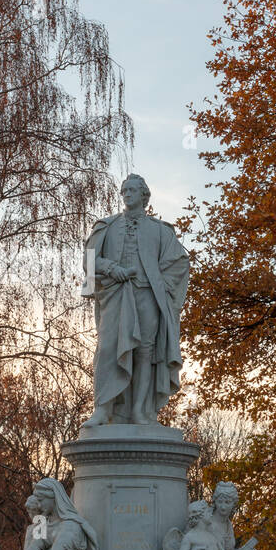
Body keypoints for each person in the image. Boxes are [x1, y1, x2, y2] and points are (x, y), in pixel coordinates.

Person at [82, 174, 189, 425]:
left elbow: (179, 262)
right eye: (124, 190)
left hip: (147, 295)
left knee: (145, 352)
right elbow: (88, 260)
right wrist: (110, 268)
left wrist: (161, 284)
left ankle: (141, 410)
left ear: (144, 196)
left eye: (132, 190)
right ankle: (103, 409)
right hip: (116, 294)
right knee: (107, 347)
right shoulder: (106, 226)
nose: (127, 194)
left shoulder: (160, 230)